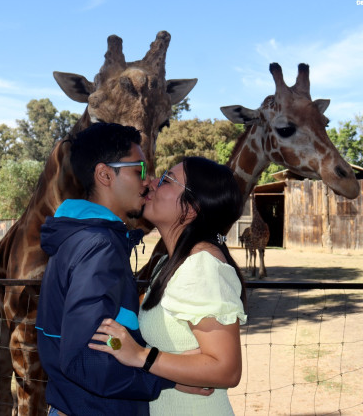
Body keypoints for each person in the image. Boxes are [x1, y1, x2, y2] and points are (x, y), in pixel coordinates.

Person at [35, 123, 209, 416]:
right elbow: (87, 357)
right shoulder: (98, 247)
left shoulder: (84, 237)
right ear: (105, 174)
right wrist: (166, 377)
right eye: (138, 169)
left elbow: (103, 335)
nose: (148, 180)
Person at [89, 156, 248, 415]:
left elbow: (226, 369)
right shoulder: (169, 263)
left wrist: (142, 356)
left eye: (167, 180)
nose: (151, 183)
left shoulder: (202, 267)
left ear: (192, 207)